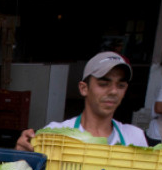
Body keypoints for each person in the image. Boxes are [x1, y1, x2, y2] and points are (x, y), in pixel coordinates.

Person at [15, 51, 148, 152]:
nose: (113, 91)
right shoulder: (53, 134)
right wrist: (21, 153)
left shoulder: (135, 138)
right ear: (84, 88)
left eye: (120, 85)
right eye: (103, 84)